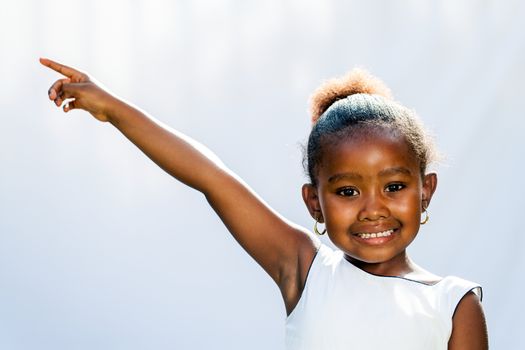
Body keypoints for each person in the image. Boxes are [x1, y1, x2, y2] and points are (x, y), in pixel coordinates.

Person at [40, 58, 488, 349]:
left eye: (393, 187)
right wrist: (113, 108)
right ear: (314, 203)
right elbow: (210, 177)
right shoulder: (306, 270)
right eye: (347, 191)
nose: (373, 209)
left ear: (425, 190)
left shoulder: (453, 305)